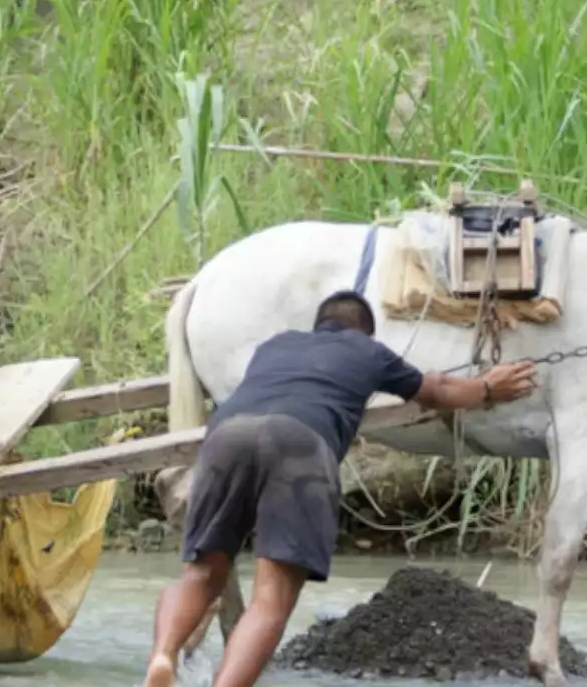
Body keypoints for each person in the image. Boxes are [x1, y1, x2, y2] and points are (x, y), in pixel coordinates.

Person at [143, 290, 538, 687]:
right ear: (365, 332)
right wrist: (487, 388)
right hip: (299, 442)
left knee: (200, 574)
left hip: (227, 435)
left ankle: (163, 656)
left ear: (319, 324)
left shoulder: (276, 345)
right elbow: (436, 390)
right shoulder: (368, 352)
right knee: (273, 596)